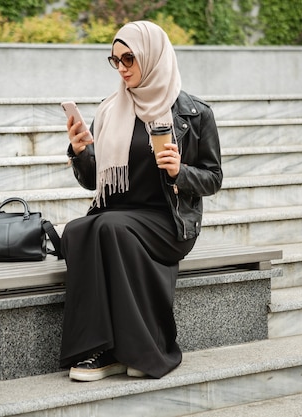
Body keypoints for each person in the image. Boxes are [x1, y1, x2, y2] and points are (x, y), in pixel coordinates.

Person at [60, 20, 223, 382]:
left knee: (108, 227)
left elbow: (213, 177)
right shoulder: (110, 109)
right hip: (119, 215)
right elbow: (93, 182)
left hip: (168, 221)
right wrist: (80, 150)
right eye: (115, 60)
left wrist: (180, 171)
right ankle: (102, 349)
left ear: (152, 56)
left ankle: (134, 350)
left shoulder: (194, 113)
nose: (122, 68)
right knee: (75, 231)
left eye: (129, 59)